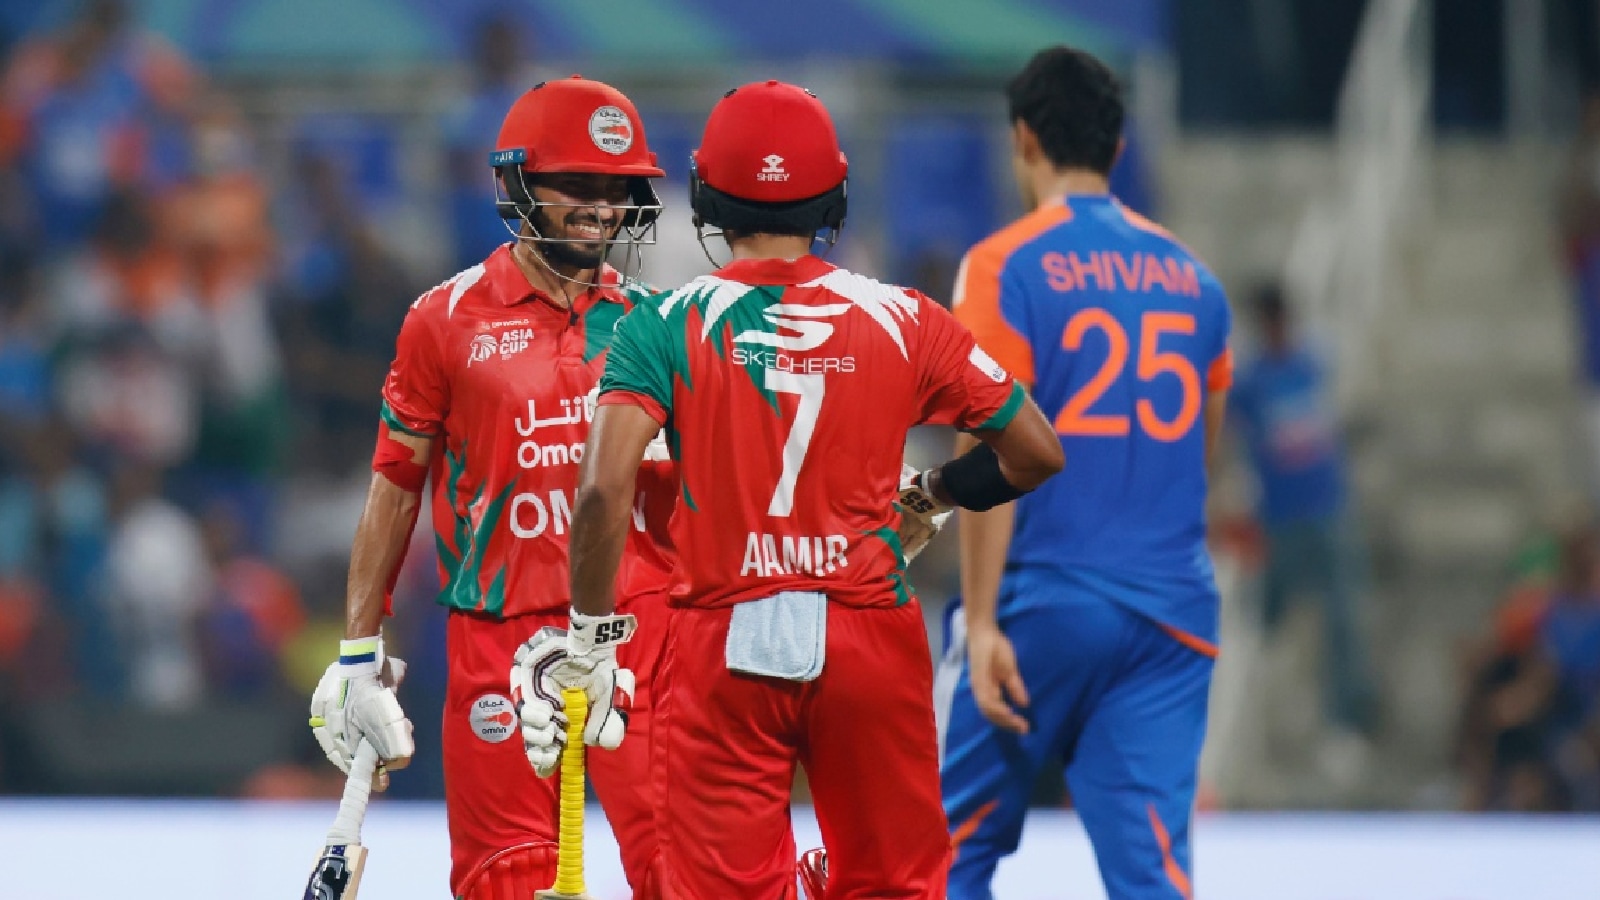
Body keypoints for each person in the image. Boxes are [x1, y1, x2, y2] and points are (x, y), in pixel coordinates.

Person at [524, 79, 1062, 900]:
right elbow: (1034, 452)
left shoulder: (662, 323)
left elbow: (602, 490)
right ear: (835, 197)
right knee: (896, 888)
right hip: (868, 636)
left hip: (721, 643)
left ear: (706, 197)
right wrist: (929, 495)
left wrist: (593, 639)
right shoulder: (906, 316)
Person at [306, 76, 675, 899]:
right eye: (576, 184)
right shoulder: (443, 321)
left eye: (617, 188)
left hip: (641, 641)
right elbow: (394, 486)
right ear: (516, 184)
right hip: (498, 645)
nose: (601, 208)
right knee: (503, 884)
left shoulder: (660, 324)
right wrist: (358, 656)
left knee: (687, 877)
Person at [938, 47, 1233, 900]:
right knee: (1152, 876)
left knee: (944, 857)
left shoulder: (1004, 264)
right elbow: (1202, 458)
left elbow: (991, 445)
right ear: (1119, 144)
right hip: (1171, 615)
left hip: (1042, 605)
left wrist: (981, 621)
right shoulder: (1197, 281)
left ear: (1023, 139)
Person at [1230, 284, 1376, 750]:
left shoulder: (1314, 362)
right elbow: (1227, 436)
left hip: (1327, 510)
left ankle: (1344, 721)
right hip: (1279, 520)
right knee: (1265, 619)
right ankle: (1260, 720)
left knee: (1342, 618)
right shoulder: (1250, 383)